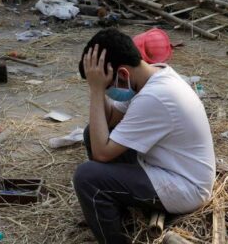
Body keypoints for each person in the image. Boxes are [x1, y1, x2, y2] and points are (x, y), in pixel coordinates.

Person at [73, 29, 215, 244]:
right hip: (168, 168)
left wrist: (95, 90)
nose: (105, 90)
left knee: (87, 177)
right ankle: (117, 210)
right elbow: (111, 119)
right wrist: (99, 87)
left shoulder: (155, 96)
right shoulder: (152, 76)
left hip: (186, 187)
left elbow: (102, 153)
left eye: (108, 85)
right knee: (90, 132)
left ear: (122, 74)